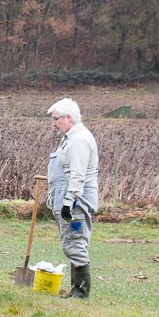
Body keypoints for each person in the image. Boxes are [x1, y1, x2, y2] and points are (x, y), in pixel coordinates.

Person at [47, 98, 99, 300]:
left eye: (56, 119)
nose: (54, 123)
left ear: (69, 117)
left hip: (75, 200)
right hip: (64, 196)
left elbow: (78, 175)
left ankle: (80, 292)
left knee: (75, 242)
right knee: (70, 242)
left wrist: (69, 202)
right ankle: (75, 290)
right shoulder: (69, 138)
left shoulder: (79, 140)